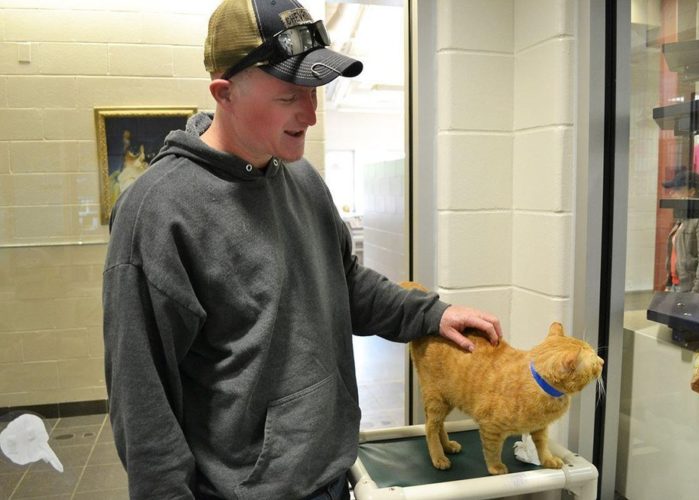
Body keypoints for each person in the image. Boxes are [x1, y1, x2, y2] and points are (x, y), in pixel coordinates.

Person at [102, 1, 502, 499]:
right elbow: (142, 397)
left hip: (331, 471)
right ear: (224, 93)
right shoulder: (158, 212)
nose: (311, 115)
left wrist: (431, 314)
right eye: (290, 95)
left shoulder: (302, 178)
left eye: (315, 93)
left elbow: (346, 282)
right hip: (243, 490)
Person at [663, 167, 699, 293]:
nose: (672, 193)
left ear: (691, 191)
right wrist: (669, 283)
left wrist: (696, 294)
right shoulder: (684, 218)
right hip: (677, 287)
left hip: (690, 290)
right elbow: (675, 256)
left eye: (677, 189)